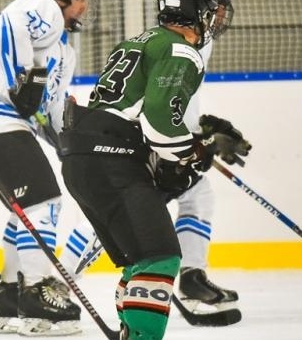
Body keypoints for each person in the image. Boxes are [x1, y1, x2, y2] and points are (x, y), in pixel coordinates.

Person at [59, 0, 235, 340]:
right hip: (112, 160)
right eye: (213, 8)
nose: (217, 17)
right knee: (159, 254)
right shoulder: (182, 51)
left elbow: (131, 110)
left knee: (140, 260)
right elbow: (159, 120)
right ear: (198, 10)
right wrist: (193, 154)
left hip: (85, 157)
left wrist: (182, 146)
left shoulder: (139, 42)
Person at [60, 53, 251, 320]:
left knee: (198, 192)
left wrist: (205, 130)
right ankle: (59, 281)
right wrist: (199, 145)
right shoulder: (180, 48)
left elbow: (175, 106)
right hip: (139, 147)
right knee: (114, 212)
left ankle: (191, 276)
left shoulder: (180, 47)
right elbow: (158, 107)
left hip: (151, 142)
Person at [0, 0, 94, 338]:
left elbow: (49, 107)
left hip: (1, 120)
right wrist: (19, 77)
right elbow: (11, 23)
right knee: (44, 203)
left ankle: (7, 299)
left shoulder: (63, 49)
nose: (85, 4)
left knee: (25, 210)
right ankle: (35, 298)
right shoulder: (42, 7)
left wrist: (70, 144)